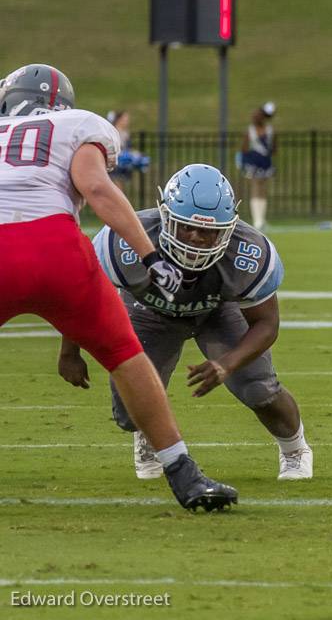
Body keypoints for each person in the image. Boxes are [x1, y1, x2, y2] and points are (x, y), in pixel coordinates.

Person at [0, 63, 237, 511]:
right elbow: (96, 188)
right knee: (126, 356)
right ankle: (183, 474)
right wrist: (151, 256)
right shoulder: (76, 124)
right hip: (54, 247)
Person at [61, 164, 313, 481]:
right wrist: (70, 350)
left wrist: (227, 364)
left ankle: (295, 449)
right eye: (186, 227)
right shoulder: (122, 240)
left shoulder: (249, 251)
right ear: (165, 217)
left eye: (208, 231)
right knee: (129, 410)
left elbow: (266, 324)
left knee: (258, 388)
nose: (195, 238)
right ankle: (146, 436)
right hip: (149, 312)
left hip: (217, 312)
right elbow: (82, 294)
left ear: (228, 228)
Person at [239, 102, 276, 229]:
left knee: (263, 190)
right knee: (255, 188)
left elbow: (274, 147)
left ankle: (262, 219)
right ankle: (257, 220)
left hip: (265, 162)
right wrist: (245, 161)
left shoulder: (270, 130)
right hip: (254, 162)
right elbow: (244, 148)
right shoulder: (250, 130)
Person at [106, 110, 150, 184]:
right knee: (116, 183)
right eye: (124, 119)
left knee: (120, 184)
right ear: (119, 120)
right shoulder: (115, 131)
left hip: (122, 163)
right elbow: (115, 148)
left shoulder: (125, 132)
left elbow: (127, 148)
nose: (127, 121)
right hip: (116, 163)